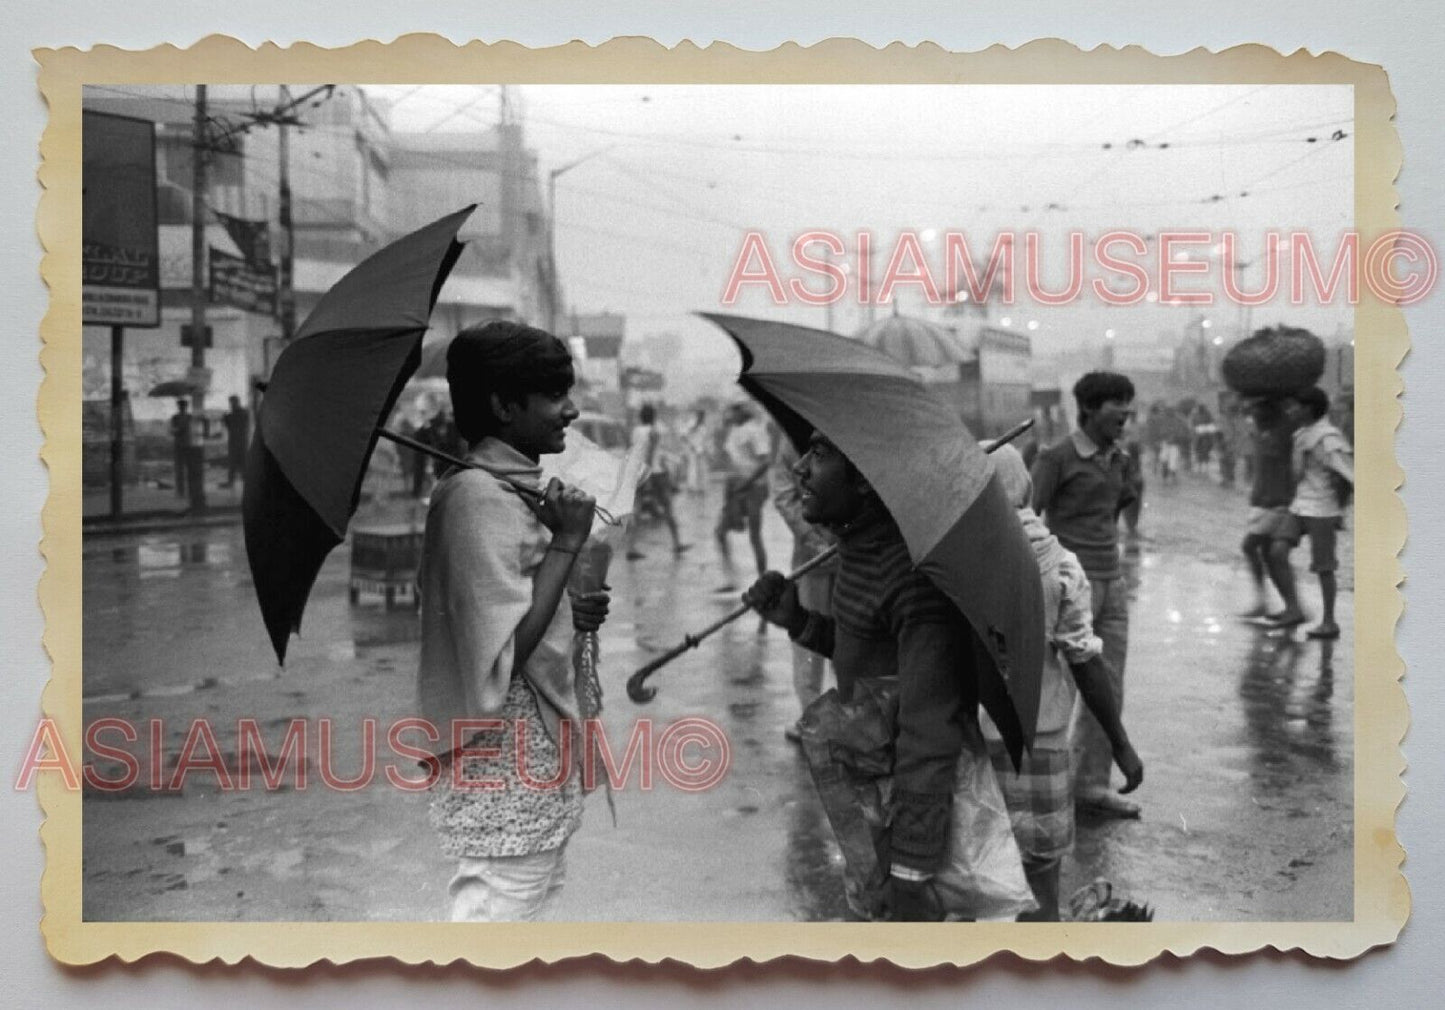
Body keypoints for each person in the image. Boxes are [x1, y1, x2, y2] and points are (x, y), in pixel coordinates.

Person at [743, 430, 1006, 921]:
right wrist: (797, 620)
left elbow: (930, 726)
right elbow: (864, 654)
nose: (799, 468)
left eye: (819, 453)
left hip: (910, 824)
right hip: (868, 804)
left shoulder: (911, 578)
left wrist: (910, 870)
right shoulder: (858, 551)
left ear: (866, 478)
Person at [416, 320, 611, 923]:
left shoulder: (513, 490)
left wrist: (572, 611)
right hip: (504, 758)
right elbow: (502, 650)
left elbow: (523, 608)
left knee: (527, 923)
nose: (571, 410)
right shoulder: (474, 498)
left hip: (533, 759)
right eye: (554, 395)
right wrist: (567, 542)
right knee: (495, 933)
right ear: (503, 405)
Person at [985, 444, 1143, 920]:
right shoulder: (1061, 566)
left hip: (968, 741)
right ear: (1025, 490)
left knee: (973, 873)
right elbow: (1085, 661)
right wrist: (1120, 744)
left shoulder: (955, 564)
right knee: (1039, 882)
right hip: (1041, 742)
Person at [1029, 371, 1140, 819]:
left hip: (1112, 583)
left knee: (1108, 687)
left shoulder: (1119, 458)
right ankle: (1044, 781)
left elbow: (1115, 509)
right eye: (1117, 404)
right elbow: (1028, 511)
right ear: (1090, 408)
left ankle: (1091, 785)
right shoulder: (1057, 456)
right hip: (1073, 586)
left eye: (1128, 403)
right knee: (1062, 689)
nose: (1126, 413)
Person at [769, 439, 837, 743]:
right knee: (821, 638)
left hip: (825, 557)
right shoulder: (793, 440)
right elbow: (785, 496)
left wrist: (815, 540)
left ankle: (820, 719)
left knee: (816, 639)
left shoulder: (791, 438)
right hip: (822, 559)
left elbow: (784, 496)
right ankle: (820, 716)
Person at [1284, 386, 1354, 640]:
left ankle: (1329, 621)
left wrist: (1340, 507)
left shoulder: (1328, 438)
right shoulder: (1302, 435)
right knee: (1275, 549)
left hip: (1322, 509)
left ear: (1309, 409)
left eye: (1297, 407)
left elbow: (1350, 474)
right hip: (1299, 505)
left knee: (1324, 567)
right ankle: (1294, 607)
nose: (1292, 411)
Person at [1239, 397, 1306, 628]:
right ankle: (1291, 606)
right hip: (1262, 502)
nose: (1254, 414)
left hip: (1277, 502)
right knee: (1270, 555)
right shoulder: (1260, 432)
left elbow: (1293, 419)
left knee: (1251, 547)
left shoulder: (1283, 432)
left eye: (1259, 409)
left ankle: (1276, 604)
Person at [713, 402, 772, 592]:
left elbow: (765, 462)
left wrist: (746, 483)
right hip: (735, 487)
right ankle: (730, 578)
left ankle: (764, 582)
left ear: (743, 412)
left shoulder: (755, 431)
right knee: (720, 532)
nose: (731, 414)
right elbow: (730, 459)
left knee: (755, 535)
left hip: (754, 487)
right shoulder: (734, 431)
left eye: (734, 410)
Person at [626, 403, 689, 559]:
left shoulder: (635, 431)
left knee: (637, 510)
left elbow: (636, 451)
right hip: (655, 473)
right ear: (653, 417)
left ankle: (631, 547)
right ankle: (677, 543)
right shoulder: (654, 432)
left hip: (638, 471)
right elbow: (651, 453)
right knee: (667, 507)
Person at [221, 395, 249, 488]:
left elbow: (232, 424)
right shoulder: (236, 414)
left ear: (237, 402)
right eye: (231, 402)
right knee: (233, 463)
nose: (231, 405)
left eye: (233, 402)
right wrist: (225, 418)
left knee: (242, 463)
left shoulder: (242, 413)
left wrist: (226, 418)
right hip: (235, 442)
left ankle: (243, 482)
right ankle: (231, 482)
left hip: (241, 442)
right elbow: (229, 427)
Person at [169, 399, 193, 498]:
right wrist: (178, 431)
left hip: (188, 445)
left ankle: (188, 491)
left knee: (189, 470)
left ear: (186, 407)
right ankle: (180, 491)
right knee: (179, 470)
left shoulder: (190, 417)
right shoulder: (175, 418)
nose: (182, 408)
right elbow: (172, 431)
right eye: (181, 406)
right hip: (179, 445)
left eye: (183, 406)